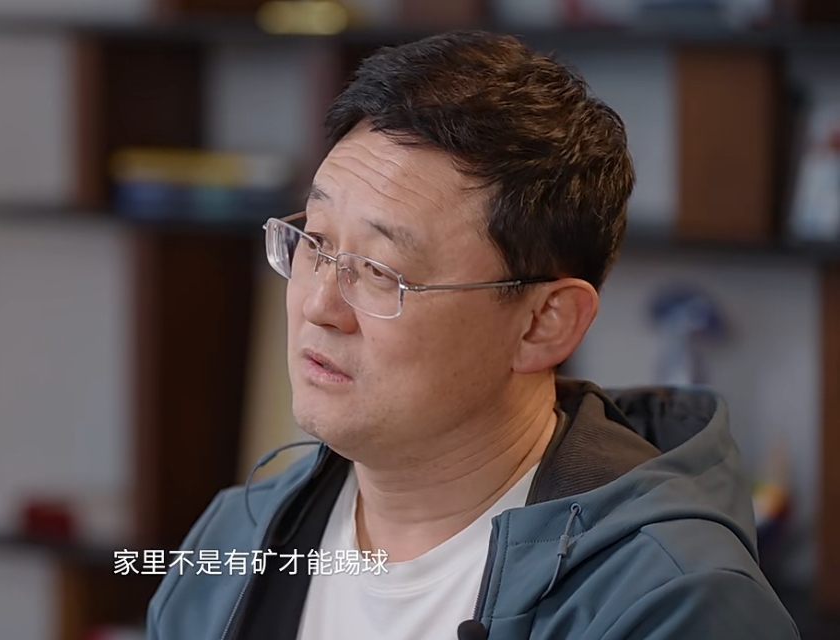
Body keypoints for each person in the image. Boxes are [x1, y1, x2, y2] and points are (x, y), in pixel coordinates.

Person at [144, 31, 799, 640]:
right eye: (315, 241)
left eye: (379, 271)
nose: (318, 305)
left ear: (544, 323)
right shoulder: (237, 539)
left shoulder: (671, 601)